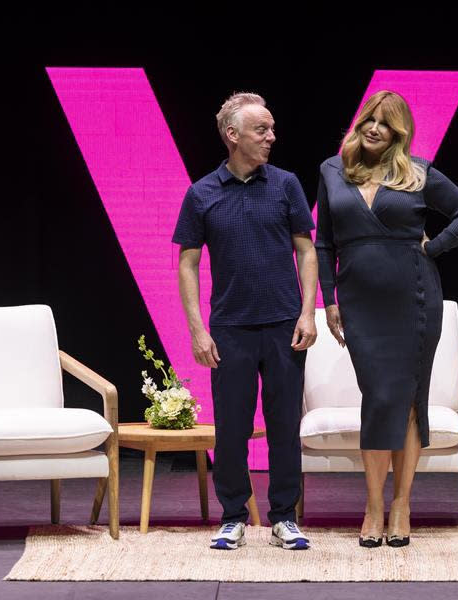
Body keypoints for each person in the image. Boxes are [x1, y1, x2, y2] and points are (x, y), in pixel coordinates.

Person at [315, 90, 458, 547]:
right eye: (369, 118)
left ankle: (401, 506)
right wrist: (329, 300)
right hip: (358, 303)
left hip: (414, 298)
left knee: (408, 400)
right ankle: (373, 507)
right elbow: (324, 243)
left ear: (398, 132)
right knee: (377, 398)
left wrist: (433, 246)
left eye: (385, 123)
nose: (374, 128)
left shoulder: (419, 172)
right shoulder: (333, 170)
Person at [173, 92, 317, 550]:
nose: (272, 137)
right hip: (230, 328)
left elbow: (306, 249)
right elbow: (188, 264)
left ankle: (283, 517)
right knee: (232, 428)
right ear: (233, 136)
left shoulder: (287, 184)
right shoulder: (202, 193)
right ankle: (233, 515)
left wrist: (308, 311)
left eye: (272, 129)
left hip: (283, 325)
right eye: (262, 130)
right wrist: (197, 329)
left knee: (283, 427)